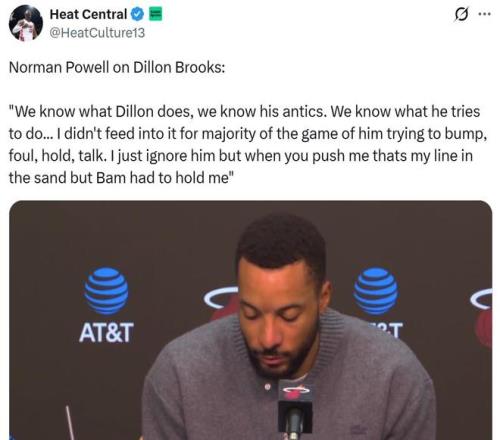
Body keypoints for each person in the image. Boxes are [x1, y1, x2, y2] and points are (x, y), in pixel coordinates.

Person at [142, 213, 436, 439]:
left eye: (289, 316)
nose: (268, 338)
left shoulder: (394, 377)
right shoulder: (180, 373)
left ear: (323, 298)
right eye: (251, 314)